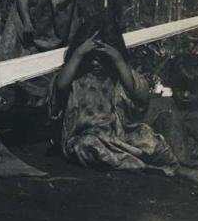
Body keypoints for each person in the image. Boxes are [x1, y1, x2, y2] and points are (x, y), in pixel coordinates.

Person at [47, 16, 180, 176]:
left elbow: (138, 93)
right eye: (91, 59)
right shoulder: (75, 76)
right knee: (90, 147)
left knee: (151, 140)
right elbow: (60, 85)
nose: (96, 64)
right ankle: (142, 165)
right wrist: (78, 54)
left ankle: (132, 160)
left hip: (119, 134)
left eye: (103, 60)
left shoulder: (116, 76)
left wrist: (118, 59)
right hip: (85, 135)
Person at [146, 55, 198, 182]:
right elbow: (145, 130)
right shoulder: (163, 103)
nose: (185, 95)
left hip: (191, 151)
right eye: (180, 89)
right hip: (167, 151)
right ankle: (179, 169)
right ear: (172, 84)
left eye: (193, 91)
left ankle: (187, 168)